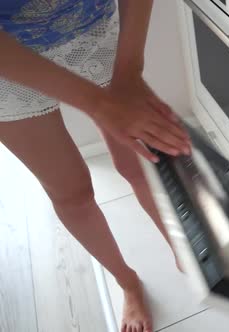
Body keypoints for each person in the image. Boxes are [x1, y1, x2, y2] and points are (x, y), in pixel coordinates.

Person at [0, 1, 191, 331]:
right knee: (72, 194)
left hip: (94, 34)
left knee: (143, 163)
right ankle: (127, 281)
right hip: (7, 69)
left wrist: (130, 71)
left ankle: (184, 249)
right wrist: (101, 104)